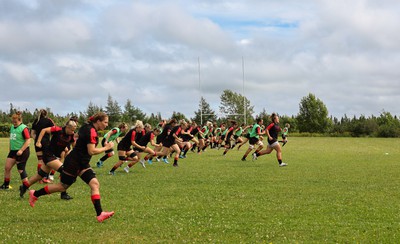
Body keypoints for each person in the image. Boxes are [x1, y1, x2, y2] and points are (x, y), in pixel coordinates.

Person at [28, 112, 116, 223]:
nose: (106, 125)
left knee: (94, 184)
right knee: (62, 187)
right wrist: (106, 147)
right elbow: (91, 151)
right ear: (98, 121)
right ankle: (35, 194)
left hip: (82, 163)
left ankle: (100, 214)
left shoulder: (87, 127)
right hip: (73, 163)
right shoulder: (91, 131)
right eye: (105, 122)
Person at [20, 119, 77, 200]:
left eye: (74, 130)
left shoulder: (71, 135)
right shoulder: (58, 129)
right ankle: (63, 193)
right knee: (64, 171)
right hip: (49, 155)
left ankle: (24, 187)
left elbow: (74, 146)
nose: (72, 132)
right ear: (67, 127)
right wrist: (38, 142)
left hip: (55, 157)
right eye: (71, 130)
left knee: (40, 175)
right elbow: (44, 130)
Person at [0, 111, 31, 190]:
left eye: (15, 122)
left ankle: (26, 186)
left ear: (20, 120)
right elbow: (11, 139)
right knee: (7, 167)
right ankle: (6, 185)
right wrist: (10, 149)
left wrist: (21, 150)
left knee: (20, 169)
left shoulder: (24, 128)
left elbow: (28, 140)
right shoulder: (12, 127)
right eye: (13, 122)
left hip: (23, 151)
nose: (14, 123)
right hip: (13, 151)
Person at [31, 109, 55, 183]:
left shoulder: (36, 121)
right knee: (47, 160)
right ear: (46, 114)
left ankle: (39, 179)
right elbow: (54, 131)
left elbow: (32, 134)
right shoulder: (49, 121)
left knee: (40, 160)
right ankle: (45, 177)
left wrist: (37, 139)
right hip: (46, 142)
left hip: (37, 143)